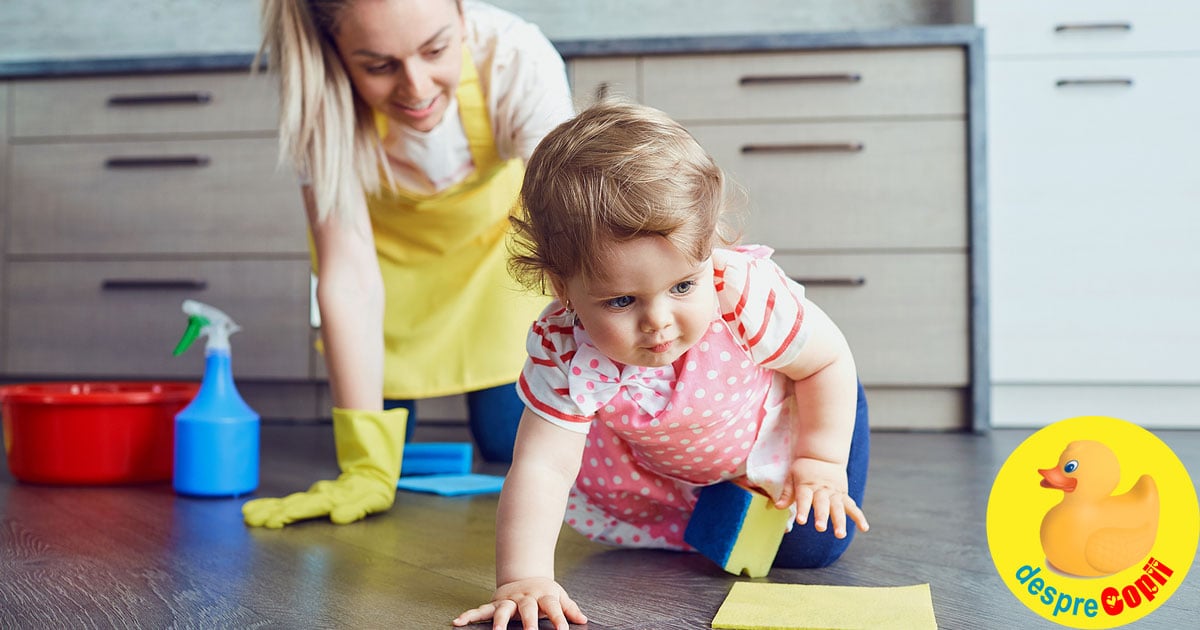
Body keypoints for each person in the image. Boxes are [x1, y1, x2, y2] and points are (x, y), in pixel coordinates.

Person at [454, 101, 871, 630]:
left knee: (810, 547)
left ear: (710, 247)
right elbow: (542, 465)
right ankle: (712, 498)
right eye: (621, 301)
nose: (659, 323)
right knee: (676, 547)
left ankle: (756, 484)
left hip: (799, 411)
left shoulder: (741, 294)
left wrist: (820, 461)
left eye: (682, 287)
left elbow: (826, 362)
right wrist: (523, 577)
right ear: (564, 289)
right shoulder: (563, 347)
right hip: (678, 455)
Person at [242, 0, 574, 528]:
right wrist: (364, 466)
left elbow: (571, 232)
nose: (416, 87)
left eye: (437, 49)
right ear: (336, 53)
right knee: (382, 457)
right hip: (386, 269)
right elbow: (347, 279)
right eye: (378, 66)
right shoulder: (317, 92)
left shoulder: (516, 57)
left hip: (498, 259)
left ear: (463, 15)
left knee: (511, 443)